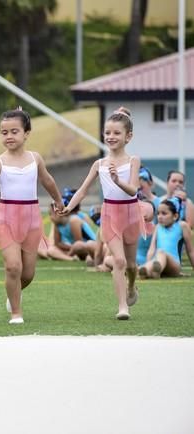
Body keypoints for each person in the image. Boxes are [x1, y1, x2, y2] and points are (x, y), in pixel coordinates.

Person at [0, 107, 64, 324]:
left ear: (26, 133)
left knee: (27, 274)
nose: (9, 136)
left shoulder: (35, 159)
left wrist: (59, 200)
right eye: (4, 132)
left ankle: (13, 292)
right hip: (6, 218)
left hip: (31, 219)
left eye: (14, 131)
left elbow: (48, 181)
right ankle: (16, 312)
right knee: (13, 266)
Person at [61, 107, 143, 320]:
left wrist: (118, 181)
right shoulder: (99, 164)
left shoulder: (133, 160)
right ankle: (122, 306)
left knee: (132, 265)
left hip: (131, 213)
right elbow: (83, 189)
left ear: (128, 136)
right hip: (110, 214)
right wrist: (69, 207)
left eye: (116, 133)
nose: (111, 137)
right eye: (107, 132)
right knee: (119, 261)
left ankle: (132, 286)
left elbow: (134, 190)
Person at [138, 199, 194, 278]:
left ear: (175, 216)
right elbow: (152, 248)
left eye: (164, 213)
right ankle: (147, 270)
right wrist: (147, 263)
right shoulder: (157, 227)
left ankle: (152, 271)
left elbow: (190, 251)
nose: (160, 217)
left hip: (174, 265)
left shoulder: (182, 226)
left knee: (161, 252)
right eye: (158, 213)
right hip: (157, 261)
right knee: (155, 257)